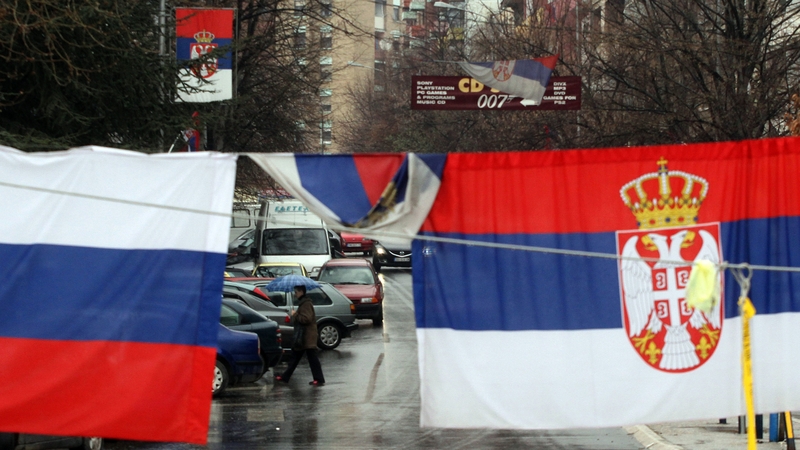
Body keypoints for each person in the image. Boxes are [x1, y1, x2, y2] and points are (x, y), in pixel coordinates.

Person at [274, 285, 325, 386]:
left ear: (301, 292)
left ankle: (319, 379)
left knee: (311, 358)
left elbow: (306, 319)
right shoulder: (303, 303)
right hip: (303, 336)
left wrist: (295, 315)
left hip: (307, 336)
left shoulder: (306, 304)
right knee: (295, 356)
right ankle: (285, 377)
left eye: (296, 292)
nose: (295, 294)